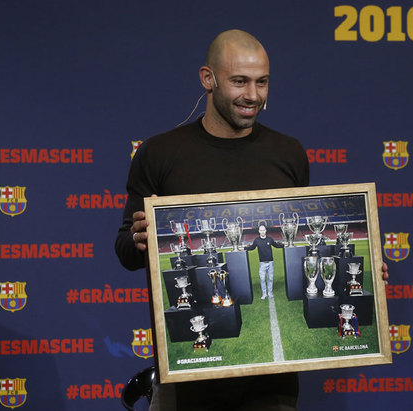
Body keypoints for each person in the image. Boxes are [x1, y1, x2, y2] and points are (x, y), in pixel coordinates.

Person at [115, 29, 308, 410]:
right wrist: (138, 240)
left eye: (262, 82)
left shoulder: (289, 154)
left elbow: (298, 245)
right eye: (239, 81)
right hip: (187, 375)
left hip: (272, 383)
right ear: (209, 79)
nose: (252, 95)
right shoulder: (160, 153)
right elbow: (125, 250)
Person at [245, 223, 284, 299]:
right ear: (259, 231)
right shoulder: (257, 240)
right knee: (262, 279)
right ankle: (264, 293)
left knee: (270, 279)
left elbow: (276, 245)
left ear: (265, 230)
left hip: (270, 263)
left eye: (263, 230)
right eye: (261, 230)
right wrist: (245, 248)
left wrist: (283, 245)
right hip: (262, 264)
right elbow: (252, 248)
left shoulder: (269, 239)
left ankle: (269, 292)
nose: (262, 231)